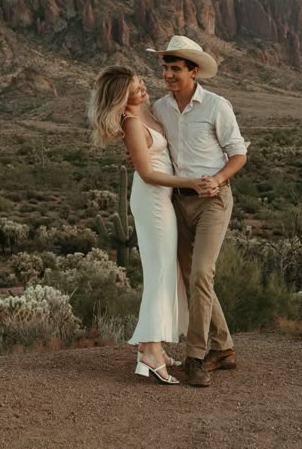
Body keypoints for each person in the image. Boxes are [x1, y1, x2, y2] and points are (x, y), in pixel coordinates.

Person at [89, 65, 217, 385]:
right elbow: (147, 173)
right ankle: (150, 352)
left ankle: (151, 346)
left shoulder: (147, 111)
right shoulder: (131, 123)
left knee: (164, 272)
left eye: (142, 82)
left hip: (163, 200)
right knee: (159, 274)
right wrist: (190, 182)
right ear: (122, 95)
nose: (144, 88)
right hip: (152, 201)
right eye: (135, 86)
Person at [148, 35, 248, 387]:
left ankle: (195, 357)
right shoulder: (160, 108)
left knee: (202, 273)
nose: (169, 75)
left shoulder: (216, 106)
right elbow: (147, 138)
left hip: (213, 201)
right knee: (195, 277)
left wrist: (218, 179)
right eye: (166, 69)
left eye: (176, 69)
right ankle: (224, 348)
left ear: (194, 71)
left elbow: (239, 153)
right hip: (179, 201)